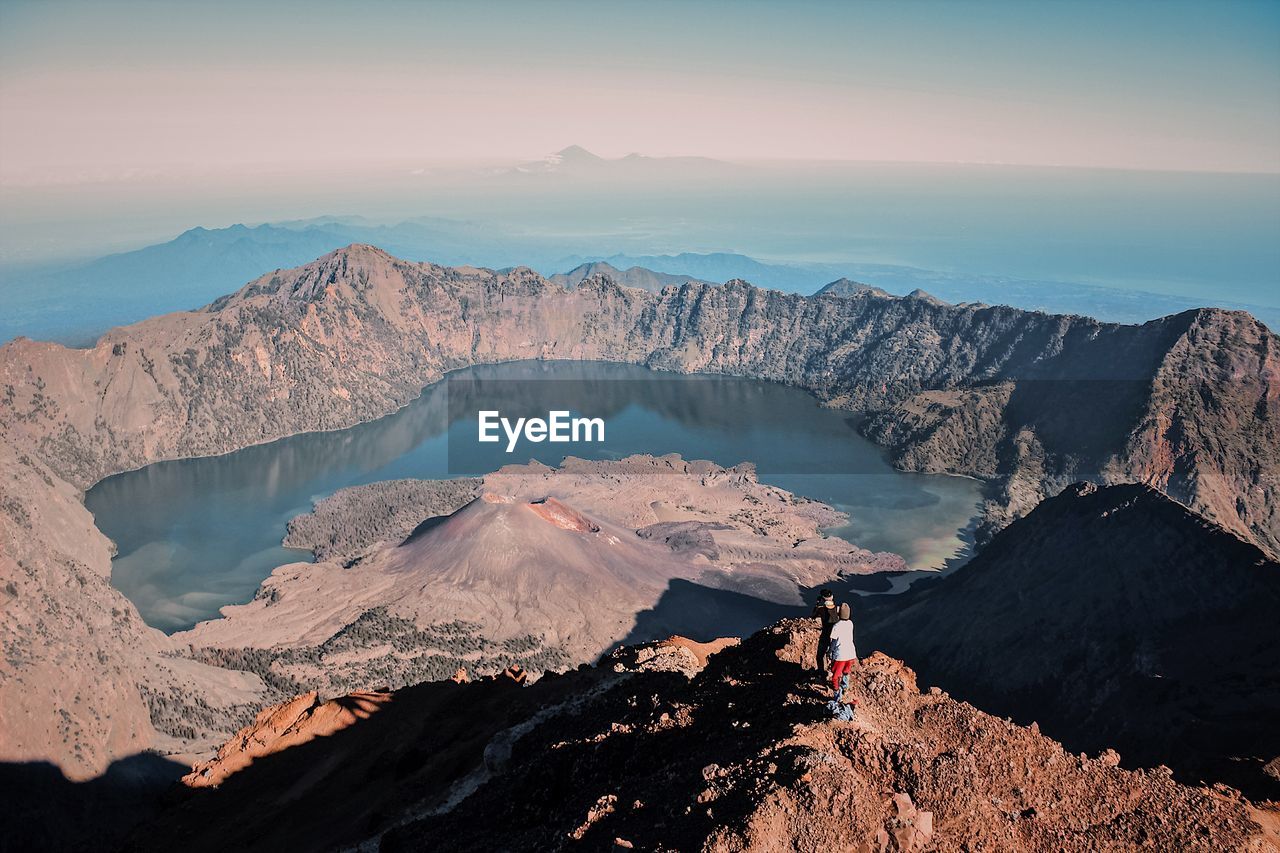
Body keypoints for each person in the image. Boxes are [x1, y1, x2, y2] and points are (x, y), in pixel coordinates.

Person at [828, 602, 857, 698]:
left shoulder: (837, 626)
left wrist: (829, 652)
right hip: (851, 653)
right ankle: (845, 687)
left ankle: (837, 695)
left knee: (835, 676)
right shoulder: (850, 623)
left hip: (841, 654)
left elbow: (833, 641)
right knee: (846, 671)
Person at [811, 589, 840, 673]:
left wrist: (817, 603)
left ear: (823, 599)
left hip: (826, 635)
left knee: (820, 655)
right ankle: (835, 673)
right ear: (832, 597)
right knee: (835, 655)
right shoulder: (837, 609)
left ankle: (822, 673)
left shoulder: (821, 610)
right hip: (836, 636)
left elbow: (813, 616)